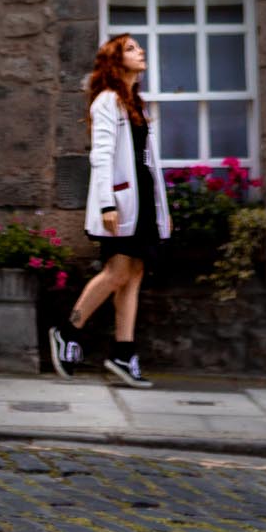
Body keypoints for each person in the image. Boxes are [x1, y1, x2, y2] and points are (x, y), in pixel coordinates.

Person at [48, 32, 171, 387]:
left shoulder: (136, 102)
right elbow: (100, 156)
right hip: (121, 204)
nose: (141, 51)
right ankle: (68, 330)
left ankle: (123, 352)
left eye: (138, 47)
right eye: (131, 49)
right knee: (117, 273)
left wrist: (161, 209)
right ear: (116, 61)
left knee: (133, 276)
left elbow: (147, 160)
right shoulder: (107, 101)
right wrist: (106, 203)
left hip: (144, 203)